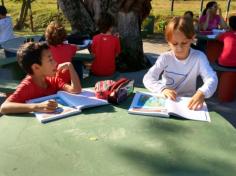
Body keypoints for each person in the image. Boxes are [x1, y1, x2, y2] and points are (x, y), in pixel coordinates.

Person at [143, 16, 218, 110]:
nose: (179, 48)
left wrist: (202, 92)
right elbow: (148, 78)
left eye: (184, 43)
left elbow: (211, 78)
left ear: (192, 38)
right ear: (168, 42)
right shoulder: (165, 58)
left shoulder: (199, 57)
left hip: (187, 103)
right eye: (174, 44)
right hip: (165, 100)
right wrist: (163, 89)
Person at [0, 42, 82, 114]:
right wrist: (36, 107)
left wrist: (70, 66)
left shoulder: (53, 80)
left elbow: (76, 90)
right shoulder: (27, 86)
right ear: (36, 67)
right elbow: (4, 107)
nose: (55, 63)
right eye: (50, 60)